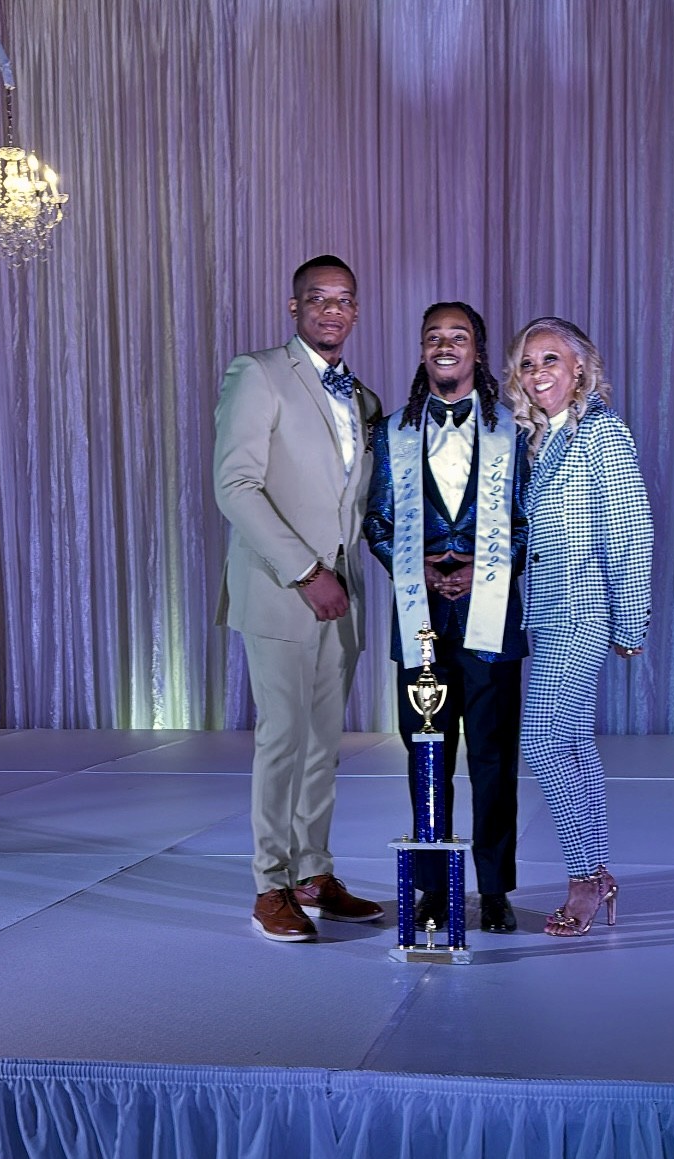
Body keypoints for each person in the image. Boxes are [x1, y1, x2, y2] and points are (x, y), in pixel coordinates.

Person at [213, 255, 385, 942]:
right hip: (284, 592)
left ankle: (313, 872)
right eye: (318, 299)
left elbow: (362, 505)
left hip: (342, 601)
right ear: (294, 307)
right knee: (282, 740)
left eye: (344, 300)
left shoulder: (363, 399)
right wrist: (304, 572)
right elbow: (235, 487)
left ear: (356, 311)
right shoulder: (256, 374)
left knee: (323, 745)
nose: (332, 310)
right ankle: (269, 884)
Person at [365, 303, 530, 933]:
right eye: (433, 336)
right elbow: (377, 521)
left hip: (492, 618)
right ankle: (433, 886)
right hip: (421, 619)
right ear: (421, 348)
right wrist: (423, 571)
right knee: (425, 753)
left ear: (478, 352)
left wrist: (483, 570)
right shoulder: (392, 432)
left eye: (458, 337)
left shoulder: (514, 430)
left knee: (492, 758)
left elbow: (525, 520)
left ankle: (493, 889)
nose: (444, 345)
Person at [503, 316, 653, 937]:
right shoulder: (539, 440)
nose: (539, 374)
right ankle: (595, 871)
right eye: (529, 363)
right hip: (547, 611)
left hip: (583, 611)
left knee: (542, 742)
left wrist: (631, 620)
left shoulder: (601, 433)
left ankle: (585, 878)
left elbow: (631, 530)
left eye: (552, 361)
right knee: (572, 745)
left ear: (581, 370)